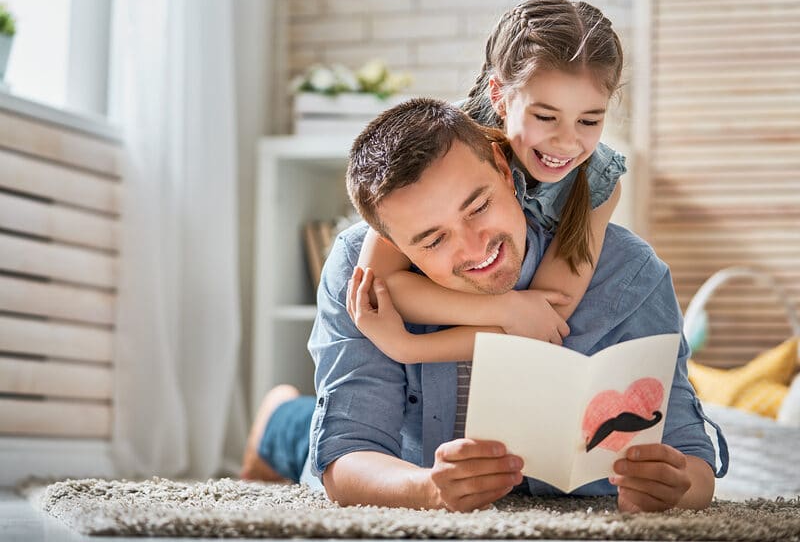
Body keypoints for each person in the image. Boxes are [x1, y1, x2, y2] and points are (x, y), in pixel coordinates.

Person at [241, 97, 728, 513]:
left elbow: (693, 462)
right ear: (394, 247)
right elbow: (347, 454)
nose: (476, 248)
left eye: (478, 207)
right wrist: (426, 488)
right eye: (432, 241)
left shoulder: (630, 272)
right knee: (299, 438)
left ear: (502, 166)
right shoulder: (362, 275)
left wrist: (678, 484)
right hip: (403, 451)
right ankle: (276, 417)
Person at [352, 0, 626, 363]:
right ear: (499, 95)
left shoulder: (598, 184)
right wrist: (505, 309)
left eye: (589, 121)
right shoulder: (448, 145)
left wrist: (411, 348)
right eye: (546, 117)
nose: (567, 142)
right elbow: (377, 287)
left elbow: (546, 318)